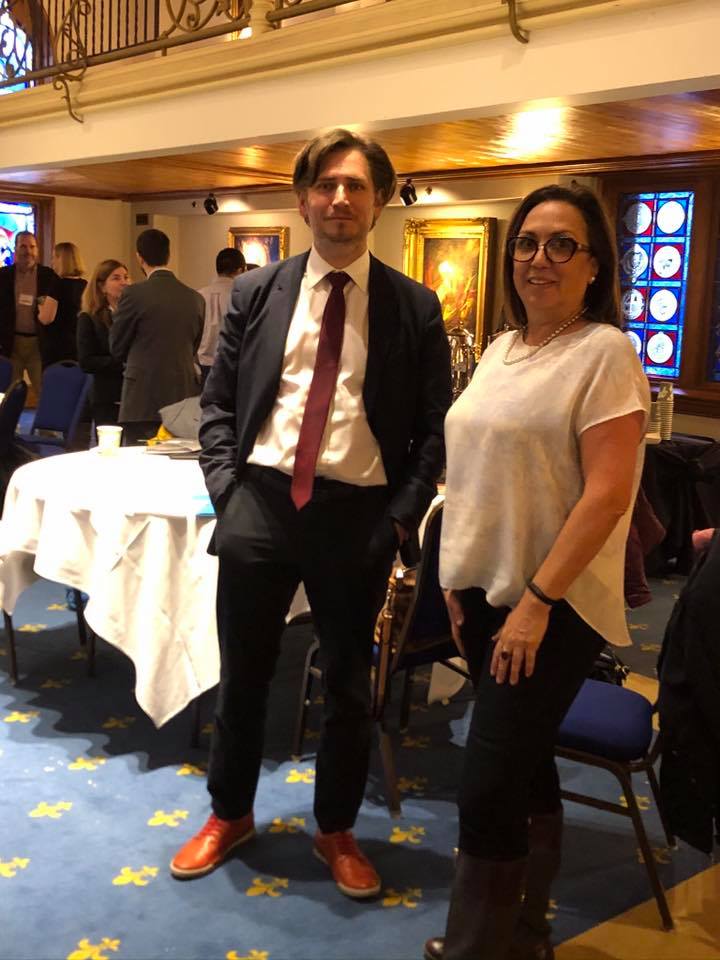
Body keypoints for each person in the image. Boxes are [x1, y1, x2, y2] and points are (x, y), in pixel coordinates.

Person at [170, 128, 452, 898]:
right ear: (302, 200)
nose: (339, 199)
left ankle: (335, 829)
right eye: (326, 185)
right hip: (260, 505)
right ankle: (230, 814)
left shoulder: (414, 306)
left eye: (355, 186)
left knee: (351, 689)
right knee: (244, 677)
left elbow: (435, 428)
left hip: (358, 516)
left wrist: (400, 516)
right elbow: (218, 404)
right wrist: (228, 490)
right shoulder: (258, 293)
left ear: (379, 200)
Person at [425, 184, 650, 960]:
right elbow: (472, 472)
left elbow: (608, 494)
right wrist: (455, 577)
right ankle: (526, 928)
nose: (539, 259)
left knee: (486, 785)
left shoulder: (605, 353)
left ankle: (480, 949)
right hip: (487, 595)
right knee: (520, 765)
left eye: (562, 244)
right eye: (527, 242)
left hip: (552, 605)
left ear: (595, 266)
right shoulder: (500, 349)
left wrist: (536, 602)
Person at [109, 229, 204, 445]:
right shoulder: (194, 298)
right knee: (176, 457)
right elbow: (194, 345)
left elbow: (117, 346)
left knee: (139, 456)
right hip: (182, 393)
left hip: (143, 395)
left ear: (139, 257)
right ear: (168, 255)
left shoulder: (133, 294)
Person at [0, 231, 60, 399]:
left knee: (45, 392)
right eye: (23, 246)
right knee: (9, 394)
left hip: (38, 344)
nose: (28, 251)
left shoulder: (48, 276)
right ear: (15, 248)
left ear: (37, 250)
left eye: (32, 247)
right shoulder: (3, 276)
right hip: (11, 343)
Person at [77, 259, 130, 428]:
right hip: (106, 394)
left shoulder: (132, 315)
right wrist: (121, 364)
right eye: (116, 278)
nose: (124, 282)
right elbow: (86, 361)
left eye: (126, 277)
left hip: (133, 392)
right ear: (101, 286)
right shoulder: (90, 318)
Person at [197, 247, 246, 386]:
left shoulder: (199, 295)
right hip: (232, 365)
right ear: (240, 270)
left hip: (203, 365)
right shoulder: (242, 296)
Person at [42, 241, 87, 367]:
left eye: (54, 258)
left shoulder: (57, 285)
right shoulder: (85, 285)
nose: (52, 262)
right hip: (79, 343)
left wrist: (40, 304)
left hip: (58, 345)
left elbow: (46, 318)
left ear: (61, 259)